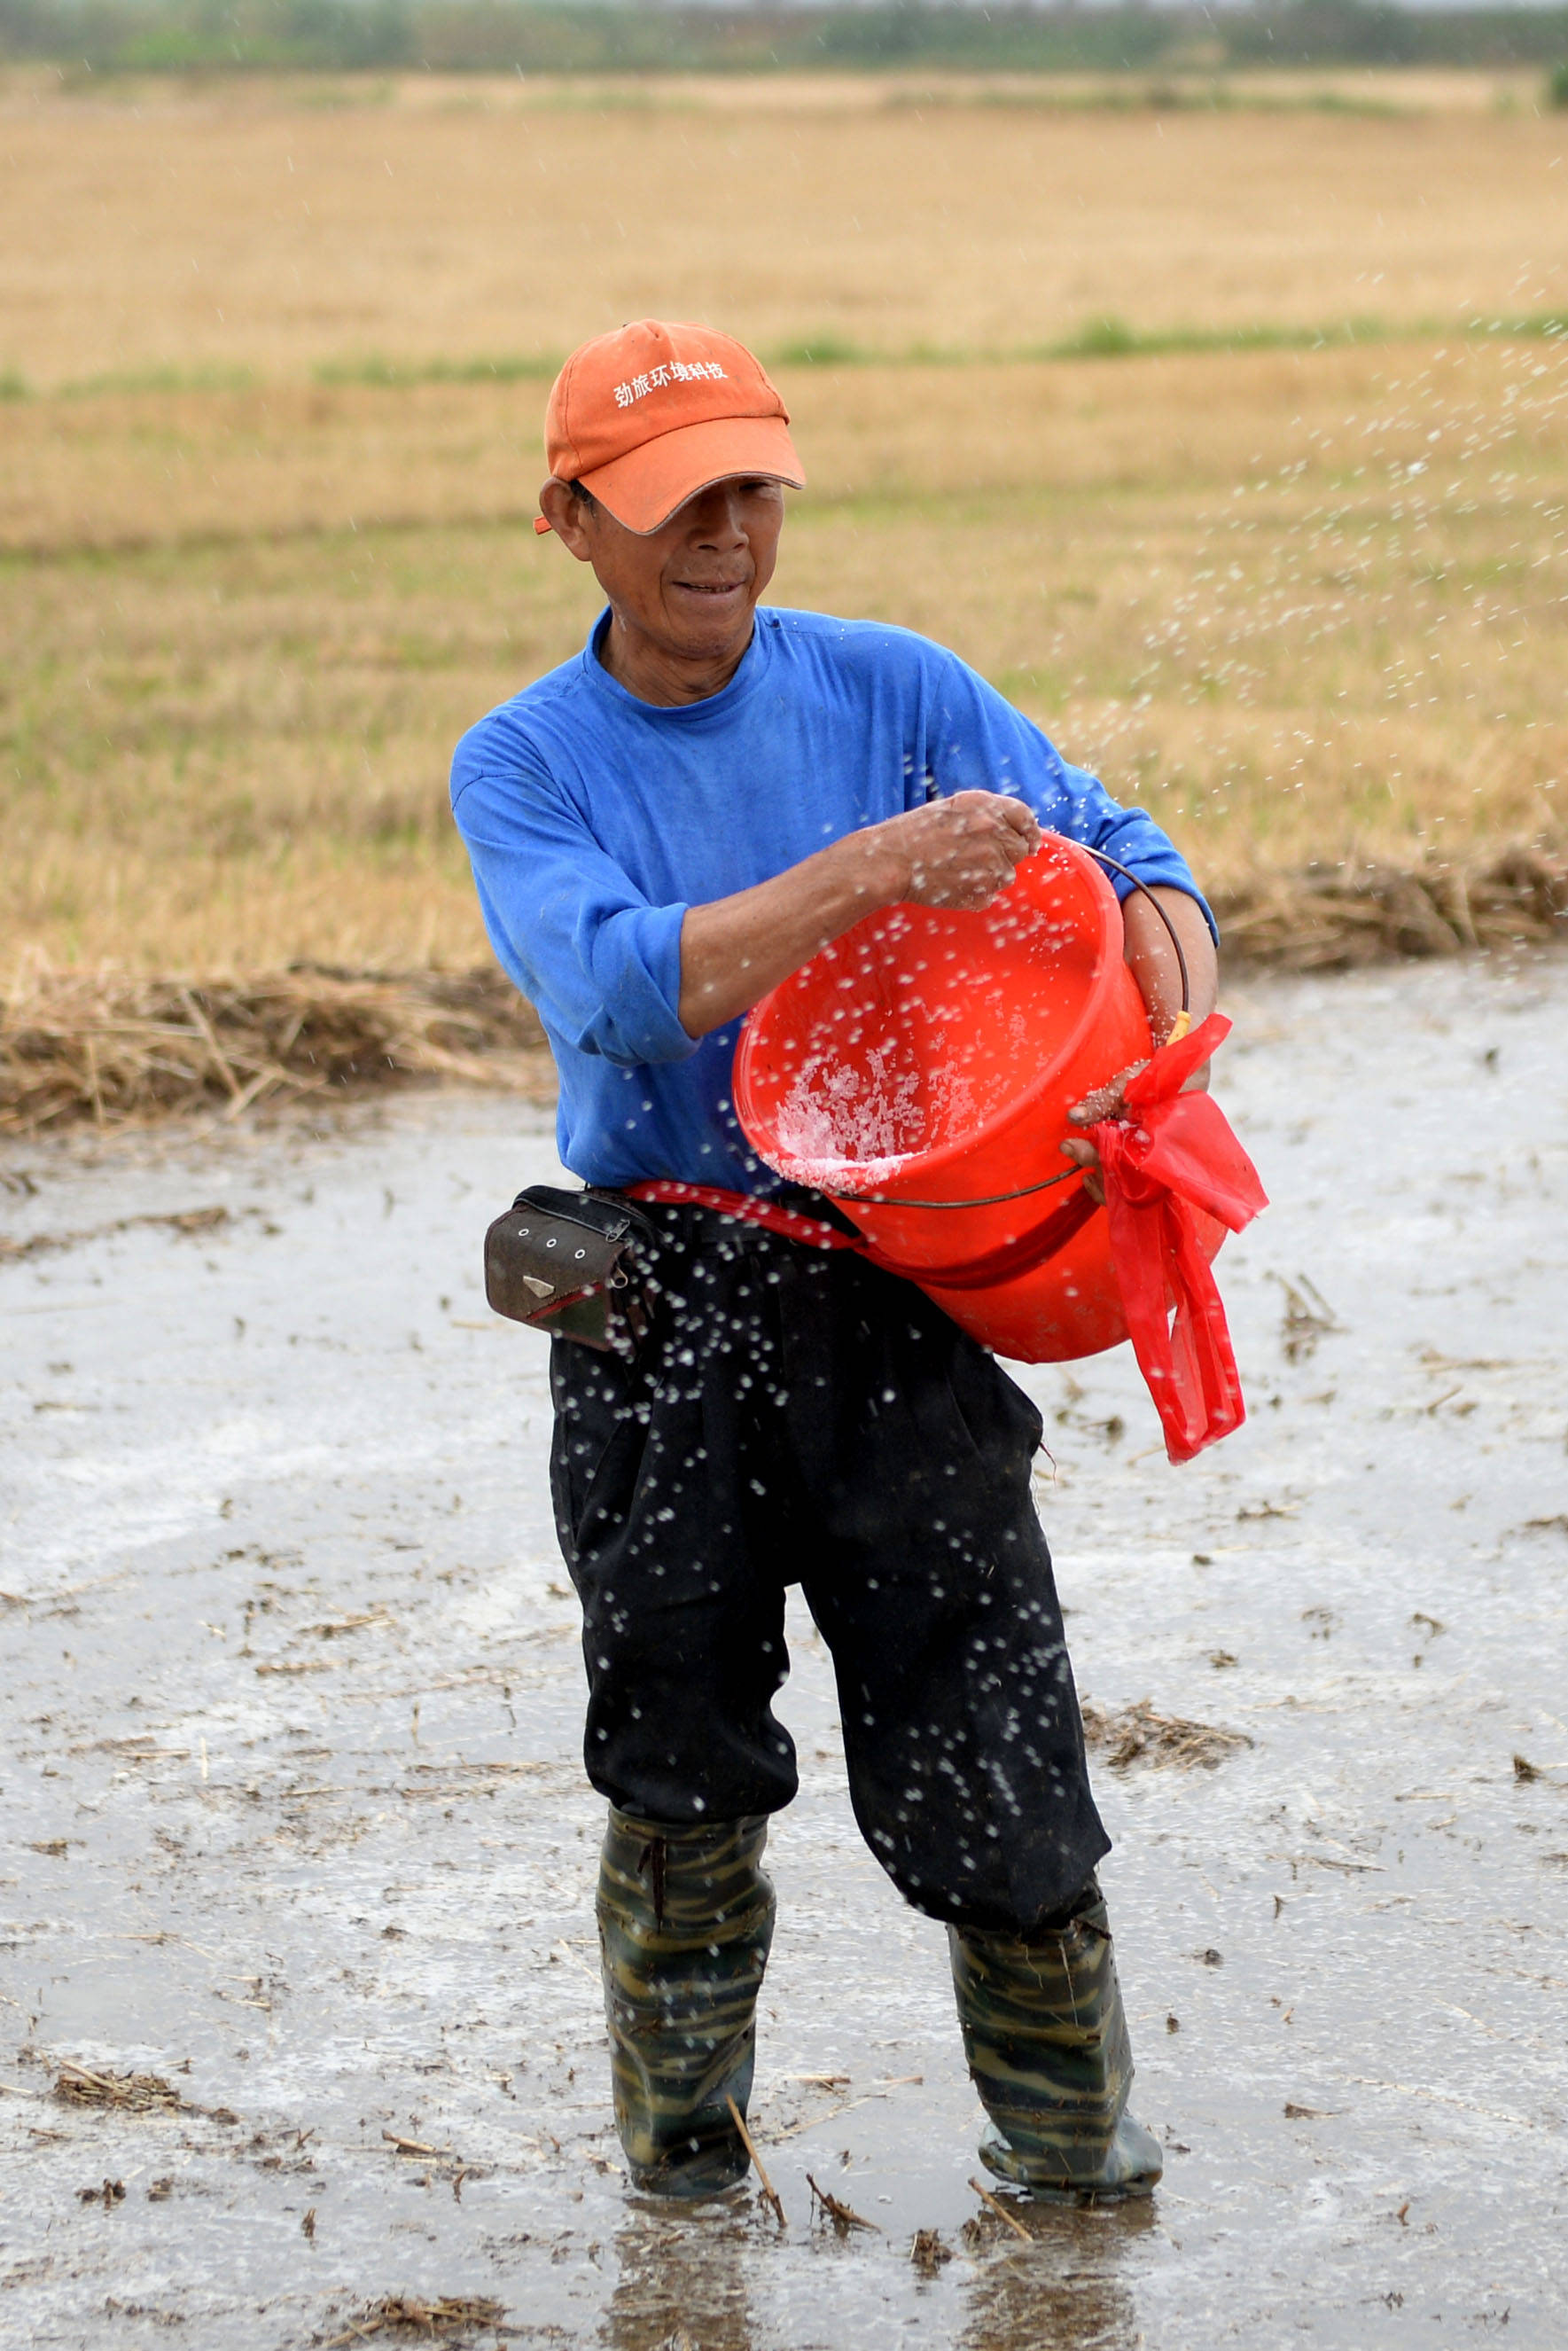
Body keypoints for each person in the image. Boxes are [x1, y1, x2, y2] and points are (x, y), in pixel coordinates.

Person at [449, 320, 1218, 2207]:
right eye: (671, 502)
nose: (722, 534)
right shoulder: (527, 764)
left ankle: (1076, 2177)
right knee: (681, 1756)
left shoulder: (897, 686)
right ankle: (684, 2191)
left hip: (898, 1289)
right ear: (569, 523)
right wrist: (875, 873)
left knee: (996, 1749)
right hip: (661, 1306)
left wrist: (1170, 940)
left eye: (750, 490)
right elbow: (629, 988)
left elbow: (1115, 842)